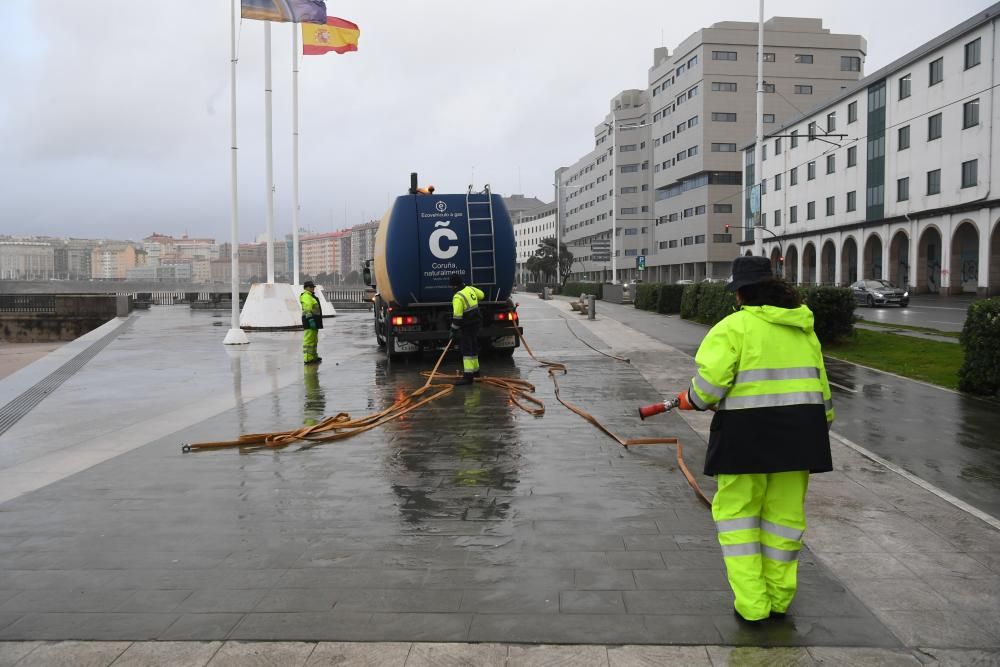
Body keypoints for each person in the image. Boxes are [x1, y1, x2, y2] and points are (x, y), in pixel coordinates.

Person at [684, 256, 834, 623]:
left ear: (741, 293)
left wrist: (695, 398)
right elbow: (824, 396)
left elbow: (708, 389)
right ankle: (780, 600)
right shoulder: (804, 329)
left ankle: (752, 606)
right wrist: (814, 428)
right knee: (784, 521)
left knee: (738, 519)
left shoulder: (733, 328)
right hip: (800, 438)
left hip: (744, 439)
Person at [449, 274, 485, 385]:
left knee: (467, 349)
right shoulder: (470, 288)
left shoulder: (457, 297)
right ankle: (476, 372)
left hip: (467, 325)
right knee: (473, 346)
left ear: (454, 286)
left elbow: (457, 317)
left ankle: (468, 377)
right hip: (476, 323)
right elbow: (482, 295)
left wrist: (453, 330)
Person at [300, 280, 323, 365]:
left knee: (314, 340)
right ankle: (307, 358)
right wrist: (310, 320)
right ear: (306, 288)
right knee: (309, 341)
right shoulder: (306, 296)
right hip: (310, 321)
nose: (313, 288)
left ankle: (313, 357)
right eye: (311, 287)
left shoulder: (310, 296)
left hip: (314, 321)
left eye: (313, 287)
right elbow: (307, 309)